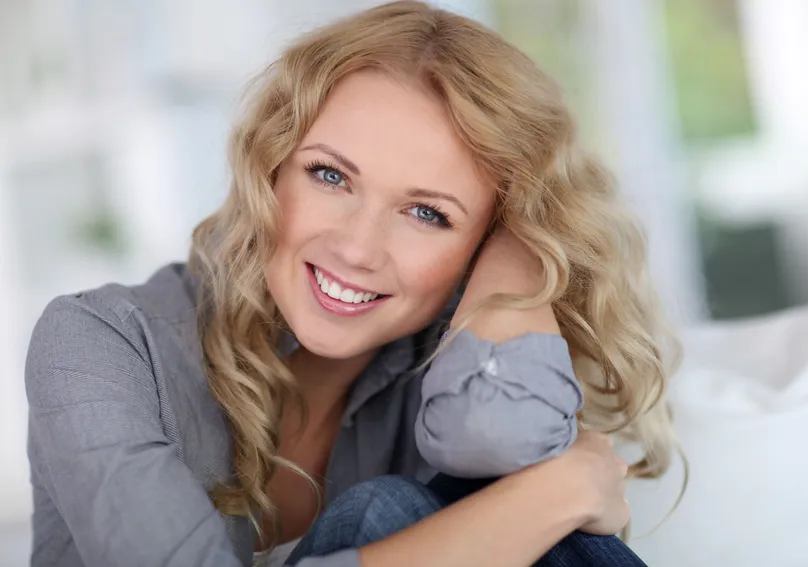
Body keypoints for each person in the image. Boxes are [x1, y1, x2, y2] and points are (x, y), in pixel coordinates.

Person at [25, 2, 680, 566]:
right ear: (273, 164)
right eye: (330, 175)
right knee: (399, 512)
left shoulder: (452, 363)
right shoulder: (98, 342)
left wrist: (524, 235)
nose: (357, 247)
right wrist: (559, 491)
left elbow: (497, 430)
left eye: (429, 213)